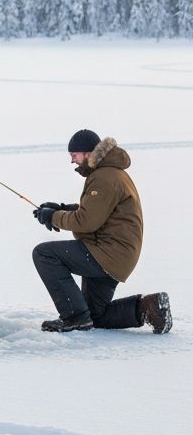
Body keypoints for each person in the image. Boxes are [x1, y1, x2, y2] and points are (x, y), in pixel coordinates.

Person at [31, 129, 171, 333]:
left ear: (88, 153)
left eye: (74, 155)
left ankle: (74, 318)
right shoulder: (110, 173)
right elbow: (97, 211)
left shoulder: (104, 177)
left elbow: (87, 221)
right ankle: (150, 308)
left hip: (106, 252)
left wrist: (52, 217)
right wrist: (60, 209)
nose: (72, 161)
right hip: (115, 254)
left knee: (44, 254)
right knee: (96, 315)